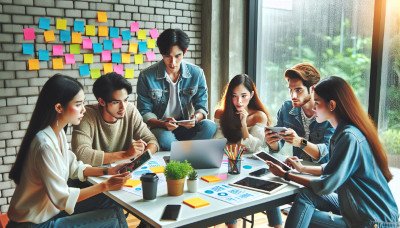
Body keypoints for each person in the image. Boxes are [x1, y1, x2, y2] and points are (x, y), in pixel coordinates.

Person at [267, 76, 399, 227]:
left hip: (373, 221)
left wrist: (286, 175)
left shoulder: (349, 136)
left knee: (303, 216)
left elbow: (325, 185)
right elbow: (333, 168)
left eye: (317, 103)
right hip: (357, 206)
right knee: (305, 197)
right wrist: (302, 168)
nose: (313, 107)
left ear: (332, 105)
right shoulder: (342, 132)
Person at [7, 74, 131, 227]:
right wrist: (105, 185)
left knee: (111, 200)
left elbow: (74, 167)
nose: (84, 110)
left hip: (49, 212)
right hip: (33, 224)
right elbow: (62, 198)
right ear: (59, 107)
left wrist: (108, 172)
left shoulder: (56, 134)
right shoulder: (44, 145)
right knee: (113, 218)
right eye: (78, 104)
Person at [214, 74, 282, 228]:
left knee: (268, 182)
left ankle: (277, 225)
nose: (239, 101)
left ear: (251, 95)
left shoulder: (259, 116)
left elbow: (254, 148)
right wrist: (236, 147)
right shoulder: (220, 113)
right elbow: (218, 143)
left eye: (244, 96)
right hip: (230, 162)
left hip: (254, 163)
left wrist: (243, 124)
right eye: (234, 96)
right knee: (228, 181)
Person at [137, 28, 217, 151]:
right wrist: (163, 123)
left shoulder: (197, 73)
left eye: (177, 56)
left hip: (187, 125)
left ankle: (185, 152)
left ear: (185, 51)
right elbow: (144, 112)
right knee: (165, 140)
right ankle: (190, 152)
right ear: (161, 53)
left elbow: (202, 106)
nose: (173, 62)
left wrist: (195, 118)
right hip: (162, 126)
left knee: (210, 126)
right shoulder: (146, 76)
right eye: (167, 56)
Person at [72, 72, 159, 167]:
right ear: (101, 101)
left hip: (122, 172)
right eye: (116, 102)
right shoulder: (87, 115)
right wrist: (125, 155)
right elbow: (81, 154)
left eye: (125, 100)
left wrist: (140, 159)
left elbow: (152, 141)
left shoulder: (130, 110)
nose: (123, 107)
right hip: (94, 175)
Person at [265, 63, 334, 164]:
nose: (293, 95)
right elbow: (277, 147)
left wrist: (300, 142)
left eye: (298, 90)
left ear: (313, 89)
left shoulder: (328, 113)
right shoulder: (286, 108)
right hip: (297, 169)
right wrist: (272, 142)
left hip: (322, 173)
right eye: (291, 90)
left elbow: (328, 155)